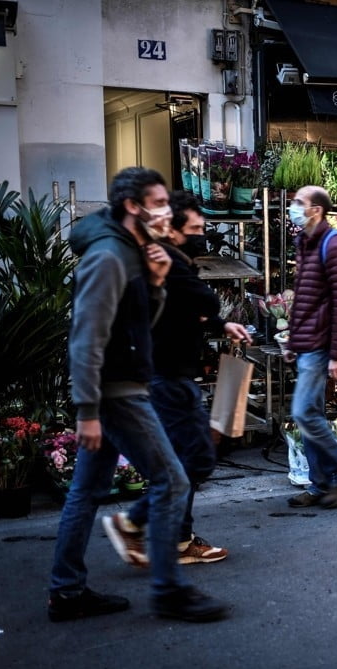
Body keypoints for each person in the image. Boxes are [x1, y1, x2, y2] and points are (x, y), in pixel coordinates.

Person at [49, 167, 228, 623]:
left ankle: (67, 592)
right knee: (174, 481)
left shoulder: (132, 253)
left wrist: (155, 282)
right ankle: (169, 591)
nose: (167, 211)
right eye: (159, 202)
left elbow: (135, 330)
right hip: (117, 392)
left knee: (86, 491)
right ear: (133, 206)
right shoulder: (109, 257)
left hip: (123, 385)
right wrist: (87, 410)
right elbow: (87, 337)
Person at [102, 191, 252, 567]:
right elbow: (204, 301)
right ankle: (137, 522)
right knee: (195, 458)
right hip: (168, 378)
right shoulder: (169, 261)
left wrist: (220, 324)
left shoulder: (167, 261)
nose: (203, 235)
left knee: (185, 458)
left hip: (165, 375)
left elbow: (189, 312)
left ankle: (178, 539)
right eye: (196, 228)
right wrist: (212, 310)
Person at [284, 185, 337, 508]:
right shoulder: (306, 243)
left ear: (316, 210)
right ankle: (319, 485)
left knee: (303, 413)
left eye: (299, 203)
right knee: (310, 414)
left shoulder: (334, 245)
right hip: (307, 343)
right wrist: (292, 340)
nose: (293, 207)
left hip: (321, 345)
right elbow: (305, 300)